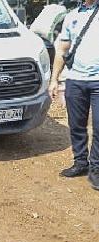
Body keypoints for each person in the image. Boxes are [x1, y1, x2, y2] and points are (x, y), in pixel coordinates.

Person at [48, 0, 99, 190]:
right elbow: (62, 50)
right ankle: (80, 163)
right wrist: (54, 79)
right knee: (76, 125)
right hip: (75, 80)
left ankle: (96, 168)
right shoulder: (71, 16)